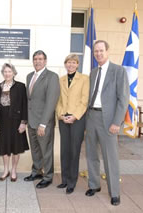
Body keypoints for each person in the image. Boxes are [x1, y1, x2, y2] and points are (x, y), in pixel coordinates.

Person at [85, 40, 129, 206]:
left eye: (101, 51)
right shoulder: (93, 72)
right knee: (91, 154)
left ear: (107, 51)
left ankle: (115, 192)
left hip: (109, 119)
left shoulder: (118, 71)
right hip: (92, 117)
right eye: (96, 51)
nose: (98, 54)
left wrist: (117, 122)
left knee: (110, 157)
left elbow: (123, 99)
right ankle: (94, 185)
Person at [24, 50, 60, 189]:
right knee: (35, 150)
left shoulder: (52, 77)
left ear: (45, 61)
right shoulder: (29, 76)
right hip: (31, 121)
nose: (37, 61)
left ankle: (48, 176)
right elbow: (30, 99)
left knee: (46, 150)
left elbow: (51, 101)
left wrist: (43, 123)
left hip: (43, 122)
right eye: (35, 59)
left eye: (40, 59)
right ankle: (36, 172)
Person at [55, 54, 89, 194]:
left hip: (77, 119)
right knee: (65, 150)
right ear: (65, 64)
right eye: (68, 62)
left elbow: (84, 100)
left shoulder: (84, 79)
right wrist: (61, 115)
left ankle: (72, 182)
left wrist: (75, 116)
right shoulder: (61, 79)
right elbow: (58, 100)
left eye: (73, 62)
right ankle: (64, 180)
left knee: (74, 150)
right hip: (63, 118)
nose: (71, 65)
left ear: (77, 64)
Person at [0, 63, 29, 182]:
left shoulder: (20, 86)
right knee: (4, 146)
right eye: (5, 72)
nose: (7, 74)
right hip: (2, 121)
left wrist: (23, 122)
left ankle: (13, 170)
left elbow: (24, 105)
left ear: (14, 73)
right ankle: (5, 170)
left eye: (9, 71)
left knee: (16, 147)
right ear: (3, 73)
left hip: (16, 121)